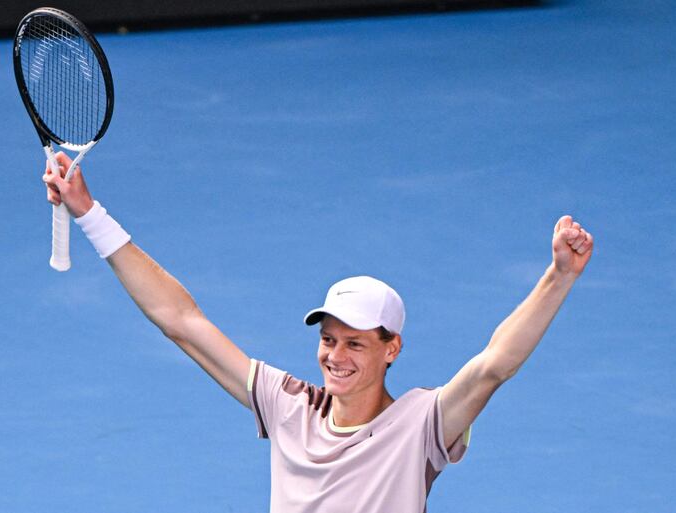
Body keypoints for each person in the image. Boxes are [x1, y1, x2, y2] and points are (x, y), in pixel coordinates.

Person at [42, 153, 594, 513]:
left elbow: (495, 363)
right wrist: (90, 214)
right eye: (329, 339)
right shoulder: (288, 406)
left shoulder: (421, 424)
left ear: (391, 349)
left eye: (356, 342)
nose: (335, 356)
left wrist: (558, 276)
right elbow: (182, 322)